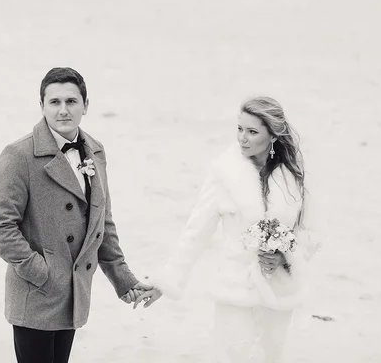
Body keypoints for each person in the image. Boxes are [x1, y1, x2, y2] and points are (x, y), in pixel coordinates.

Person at [137, 96, 321, 362]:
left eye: (252, 131)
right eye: (239, 129)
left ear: (273, 136)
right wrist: (166, 282)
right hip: (235, 291)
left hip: (280, 295)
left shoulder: (292, 177)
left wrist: (285, 256)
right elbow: (196, 232)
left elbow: (311, 234)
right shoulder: (224, 174)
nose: (242, 138)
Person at [0, 67, 150, 363]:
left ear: (86, 106)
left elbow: (102, 223)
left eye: (72, 102)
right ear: (41, 106)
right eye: (55, 102)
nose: (63, 110)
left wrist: (123, 279)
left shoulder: (95, 151)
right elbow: (0, 227)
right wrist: (42, 273)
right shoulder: (18, 156)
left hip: (74, 295)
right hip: (36, 295)